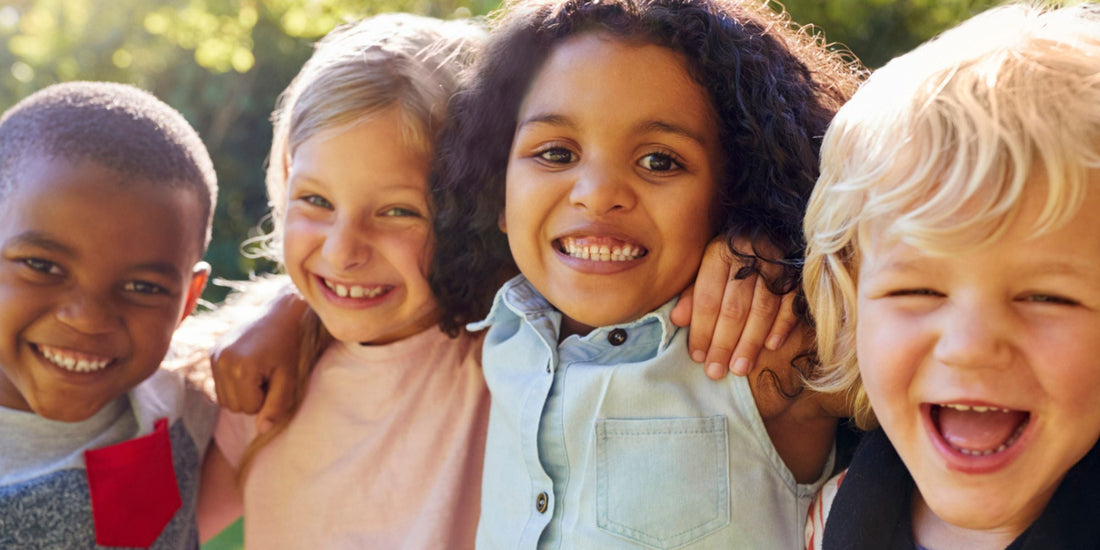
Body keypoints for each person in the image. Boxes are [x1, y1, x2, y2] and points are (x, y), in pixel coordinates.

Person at [427, 0, 861, 546]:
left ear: (733, 190)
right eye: (556, 153)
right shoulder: (499, 329)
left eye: (660, 160)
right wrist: (288, 310)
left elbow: (927, 321)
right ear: (498, 190)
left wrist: (782, 259)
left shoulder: (765, 344)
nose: (598, 194)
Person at [802, 3, 1100, 548]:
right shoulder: (825, 514)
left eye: (1046, 296)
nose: (969, 347)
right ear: (851, 308)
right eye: (916, 289)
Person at [200, 14, 495, 548]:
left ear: (472, 214)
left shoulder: (511, 354)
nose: (342, 251)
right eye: (315, 200)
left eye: (398, 211)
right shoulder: (266, 379)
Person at [0, 81, 217, 549]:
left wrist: (284, 313)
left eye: (143, 288)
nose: (88, 318)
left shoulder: (183, 397)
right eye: (43, 266)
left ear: (188, 300)